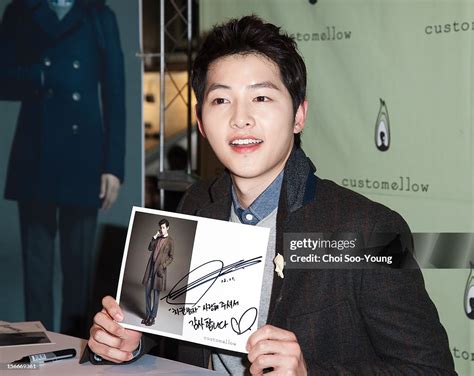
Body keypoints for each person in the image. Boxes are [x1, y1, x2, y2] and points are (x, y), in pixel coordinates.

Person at [83, 15, 456, 375]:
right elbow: (175, 326)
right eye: (221, 100)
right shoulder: (198, 204)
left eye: (261, 98)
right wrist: (130, 341)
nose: (240, 118)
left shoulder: (365, 229)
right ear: (200, 123)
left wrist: (312, 373)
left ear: (298, 116)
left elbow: (432, 369)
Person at [0, 0, 125, 338]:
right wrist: (41, 75)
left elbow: (115, 92)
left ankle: (77, 348)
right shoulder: (20, 11)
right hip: (35, 152)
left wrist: (113, 165)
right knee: (36, 270)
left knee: (79, 271)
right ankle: (34, 349)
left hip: (84, 155)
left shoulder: (99, 15)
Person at [141, 219, 174, 327]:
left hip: (159, 270)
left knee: (155, 295)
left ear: (167, 228)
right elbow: (150, 248)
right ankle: (148, 315)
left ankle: (152, 318)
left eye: (164, 227)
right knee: (147, 293)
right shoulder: (157, 238)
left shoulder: (170, 241)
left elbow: (171, 257)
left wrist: (163, 265)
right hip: (150, 269)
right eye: (161, 227)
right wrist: (154, 237)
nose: (162, 229)